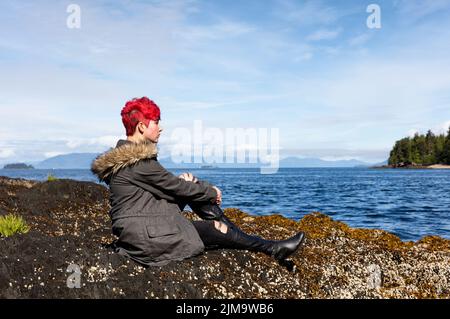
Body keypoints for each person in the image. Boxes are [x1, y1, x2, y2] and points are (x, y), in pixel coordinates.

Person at [91, 97, 305, 267]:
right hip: (145, 237)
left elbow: (168, 186)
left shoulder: (129, 158)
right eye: (156, 123)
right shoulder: (136, 162)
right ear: (141, 127)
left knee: (189, 181)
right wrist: (211, 192)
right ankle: (270, 247)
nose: (160, 128)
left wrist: (198, 188)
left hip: (145, 222)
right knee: (214, 226)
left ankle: (243, 237)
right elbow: (175, 187)